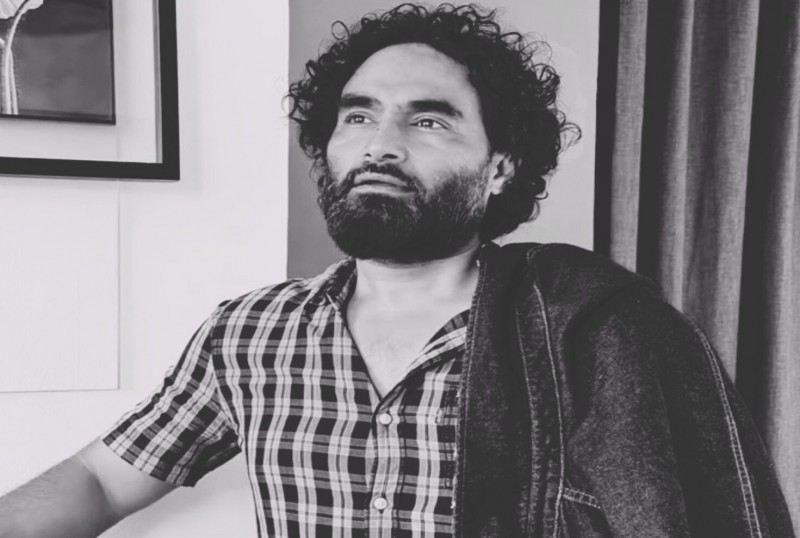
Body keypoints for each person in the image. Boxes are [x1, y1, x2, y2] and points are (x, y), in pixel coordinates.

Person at [0, 3, 793, 537]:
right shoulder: (249, 332)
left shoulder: (595, 331)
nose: (381, 144)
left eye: (429, 121)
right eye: (358, 115)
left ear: (500, 168)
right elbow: (102, 480)